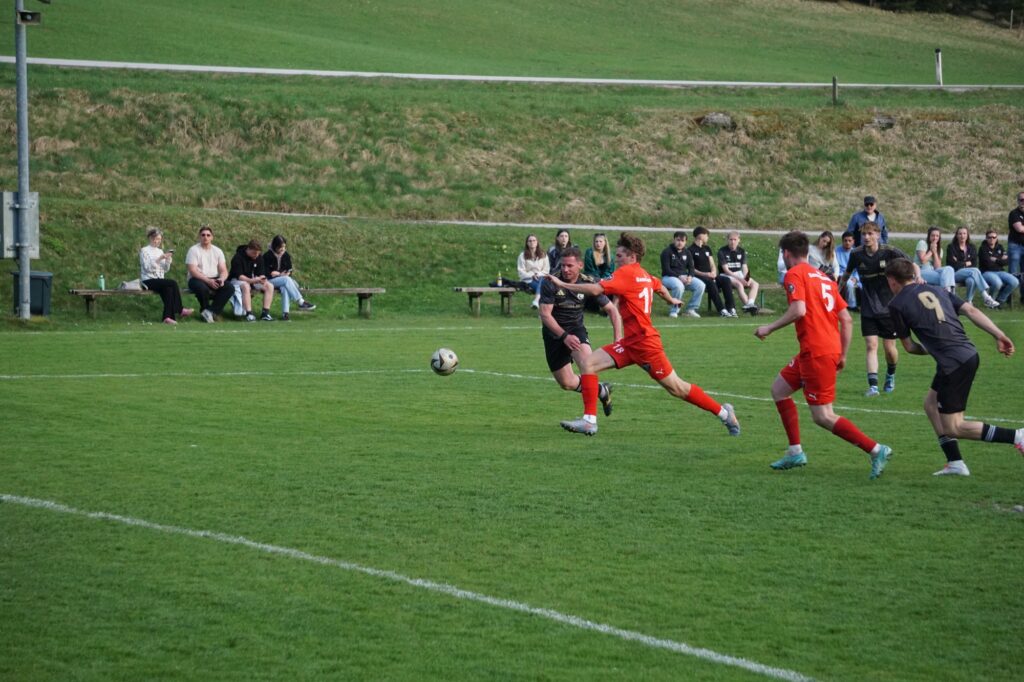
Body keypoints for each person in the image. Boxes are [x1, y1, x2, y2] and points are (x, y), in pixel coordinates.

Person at [546, 232, 740, 437]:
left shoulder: (626, 273)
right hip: (630, 343)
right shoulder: (644, 274)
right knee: (588, 363)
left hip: (646, 345)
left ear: (632, 257)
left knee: (677, 388)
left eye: (620, 255)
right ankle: (589, 421)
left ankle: (724, 413)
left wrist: (562, 284)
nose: (616, 259)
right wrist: (670, 300)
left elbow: (595, 290)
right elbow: (659, 286)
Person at [754, 231, 893, 479]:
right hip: (821, 350)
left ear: (786, 253)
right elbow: (846, 319)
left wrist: (769, 328)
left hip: (816, 352)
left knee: (823, 416)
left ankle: (876, 450)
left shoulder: (794, 274)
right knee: (779, 390)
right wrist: (843, 354)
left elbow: (798, 309)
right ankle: (795, 451)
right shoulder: (824, 278)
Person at [885, 258, 1024, 476]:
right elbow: (972, 311)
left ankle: (1018, 436)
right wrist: (1000, 335)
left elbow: (910, 347)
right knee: (931, 404)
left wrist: (933, 348)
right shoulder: (937, 289)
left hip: (954, 364)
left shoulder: (896, 304)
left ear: (892, 280)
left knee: (954, 427)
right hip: (967, 354)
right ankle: (955, 462)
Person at [539, 246, 621, 417]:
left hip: (576, 330)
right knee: (567, 383)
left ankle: (589, 419)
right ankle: (601, 390)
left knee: (587, 366)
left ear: (580, 265)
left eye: (569, 266)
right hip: (554, 334)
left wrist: (618, 340)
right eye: (563, 265)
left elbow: (612, 310)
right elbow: (545, 315)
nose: (565, 269)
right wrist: (564, 336)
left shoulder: (588, 282)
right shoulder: (550, 281)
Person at [838, 222, 916, 396]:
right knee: (871, 345)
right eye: (864, 234)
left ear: (878, 235)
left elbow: (911, 264)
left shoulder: (889, 251)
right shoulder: (856, 254)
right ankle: (873, 386)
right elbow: (847, 274)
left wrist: (918, 278)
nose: (866, 237)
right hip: (868, 307)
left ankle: (890, 374)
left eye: (870, 234)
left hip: (889, 307)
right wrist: (836, 292)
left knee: (890, 349)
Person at [139, 226, 193, 325]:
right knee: (172, 283)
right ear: (150, 238)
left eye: (160, 239)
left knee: (168, 290)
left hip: (159, 280)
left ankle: (167, 318)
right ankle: (180, 309)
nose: (158, 241)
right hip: (147, 280)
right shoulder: (144, 250)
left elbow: (165, 269)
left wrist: (168, 260)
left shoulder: (160, 251)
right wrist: (159, 259)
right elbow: (147, 268)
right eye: (156, 239)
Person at [185, 225, 235, 323]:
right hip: (197, 278)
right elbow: (193, 271)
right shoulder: (193, 250)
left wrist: (221, 279)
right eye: (203, 235)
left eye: (208, 235)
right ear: (199, 236)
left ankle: (210, 312)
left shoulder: (218, 251)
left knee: (229, 287)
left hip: (214, 277)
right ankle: (206, 309)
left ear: (212, 237)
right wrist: (208, 281)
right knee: (202, 288)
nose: (205, 237)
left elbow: (224, 270)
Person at [263, 234, 316, 321]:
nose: (283, 249)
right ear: (275, 246)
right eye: (280, 247)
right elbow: (264, 272)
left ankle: (285, 314)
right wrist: (276, 274)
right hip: (269, 281)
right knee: (286, 280)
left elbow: (289, 269)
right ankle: (301, 301)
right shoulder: (267, 256)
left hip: (283, 280)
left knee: (285, 287)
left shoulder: (286, 255)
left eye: (284, 246)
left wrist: (287, 273)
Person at [946, 226, 999, 309]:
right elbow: (953, 264)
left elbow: (974, 263)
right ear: (956, 235)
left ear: (967, 235)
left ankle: (968, 301)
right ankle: (986, 297)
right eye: (960, 234)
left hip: (969, 274)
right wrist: (966, 263)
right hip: (955, 274)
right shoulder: (951, 247)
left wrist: (961, 263)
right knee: (975, 271)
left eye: (964, 233)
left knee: (971, 280)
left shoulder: (972, 247)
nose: (962, 236)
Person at [689, 226, 737, 317]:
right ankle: (722, 310)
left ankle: (731, 308)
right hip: (699, 276)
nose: (708, 238)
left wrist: (714, 272)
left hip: (710, 275)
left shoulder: (707, 248)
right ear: (701, 236)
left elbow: (712, 264)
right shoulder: (690, 250)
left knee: (726, 280)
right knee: (710, 283)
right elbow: (692, 269)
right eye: (707, 235)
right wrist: (705, 274)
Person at [659, 231, 705, 318]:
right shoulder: (666, 252)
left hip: (684, 277)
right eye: (678, 240)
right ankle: (674, 311)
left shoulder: (687, 252)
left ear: (685, 242)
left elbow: (691, 268)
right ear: (674, 240)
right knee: (679, 286)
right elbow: (666, 270)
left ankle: (691, 309)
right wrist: (679, 277)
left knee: (701, 285)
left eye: (682, 241)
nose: (680, 243)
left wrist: (690, 277)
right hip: (668, 277)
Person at [228, 239, 276, 321]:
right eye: (254, 253)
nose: (256, 255)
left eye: (258, 253)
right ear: (248, 249)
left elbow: (261, 273)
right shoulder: (238, 257)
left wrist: (262, 279)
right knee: (246, 286)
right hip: (236, 280)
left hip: (253, 280)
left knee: (269, 286)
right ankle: (249, 314)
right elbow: (239, 276)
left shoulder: (259, 257)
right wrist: (252, 280)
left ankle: (265, 314)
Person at [717, 231, 760, 313]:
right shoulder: (722, 251)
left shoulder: (742, 251)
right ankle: (749, 307)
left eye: (735, 239)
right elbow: (726, 270)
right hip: (726, 275)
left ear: (739, 240)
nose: (733, 242)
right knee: (739, 284)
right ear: (727, 240)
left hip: (738, 273)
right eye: (731, 239)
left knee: (755, 284)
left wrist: (746, 278)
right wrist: (741, 279)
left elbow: (744, 267)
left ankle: (750, 303)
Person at [978, 230, 1019, 307]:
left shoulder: (1000, 247)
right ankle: (990, 302)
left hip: (1000, 271)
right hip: (986, 272)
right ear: (986, 238)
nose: (992, 239)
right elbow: (988, 264)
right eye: (989, 237)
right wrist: (1000, 260)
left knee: (1015, 281)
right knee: (997, 283)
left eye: (994, 237)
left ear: (996, 238)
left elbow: (1007, 262)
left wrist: (996, 260)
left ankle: (1000, 301)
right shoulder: (982, 249)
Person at [914, 227, 955, 292]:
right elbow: (923, 260)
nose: (935, 238)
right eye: (933, 235)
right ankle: (947, 293)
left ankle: (947, 291)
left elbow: (937, 267)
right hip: (920, 271)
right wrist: (931, 251)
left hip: (933, 271)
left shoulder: (940, 250)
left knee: (949, 268)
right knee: (944, 278)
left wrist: (935, 252)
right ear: (929, 236)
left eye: (937, 236)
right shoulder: (922, 243)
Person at [517, 234, 550, 309]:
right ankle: (541, 308)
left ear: (537, 242)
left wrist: (537, 274)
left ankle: (536, 300)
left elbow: (546, 270)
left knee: (543, 282)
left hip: (541, 277)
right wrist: (532, 275)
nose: (532, 242)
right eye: (530, 241)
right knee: (544, 288)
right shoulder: (522, 256)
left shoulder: (543, 255)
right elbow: (521, 271)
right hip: (528, 280)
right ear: (527, 243)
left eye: (534, 240)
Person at [835, 231, 859, 310]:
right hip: (840, 275)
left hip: (852, 276)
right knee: (848, 283)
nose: (847, 243)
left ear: (853, 241)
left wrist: (856, 278)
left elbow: (858, 268)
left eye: (849, 241)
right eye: (845, 240)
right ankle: (852, 306)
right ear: (842, 241)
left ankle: (857, 305)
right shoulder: (836, 251)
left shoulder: (856, 253)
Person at [1008, 191, 1024, 279]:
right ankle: (1010, 287)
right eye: (1022, 200)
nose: (1023, 202)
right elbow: (1020, 229)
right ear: (1018, 201)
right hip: (1015, 246)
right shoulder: (1014, 213)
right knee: (1013, 272)